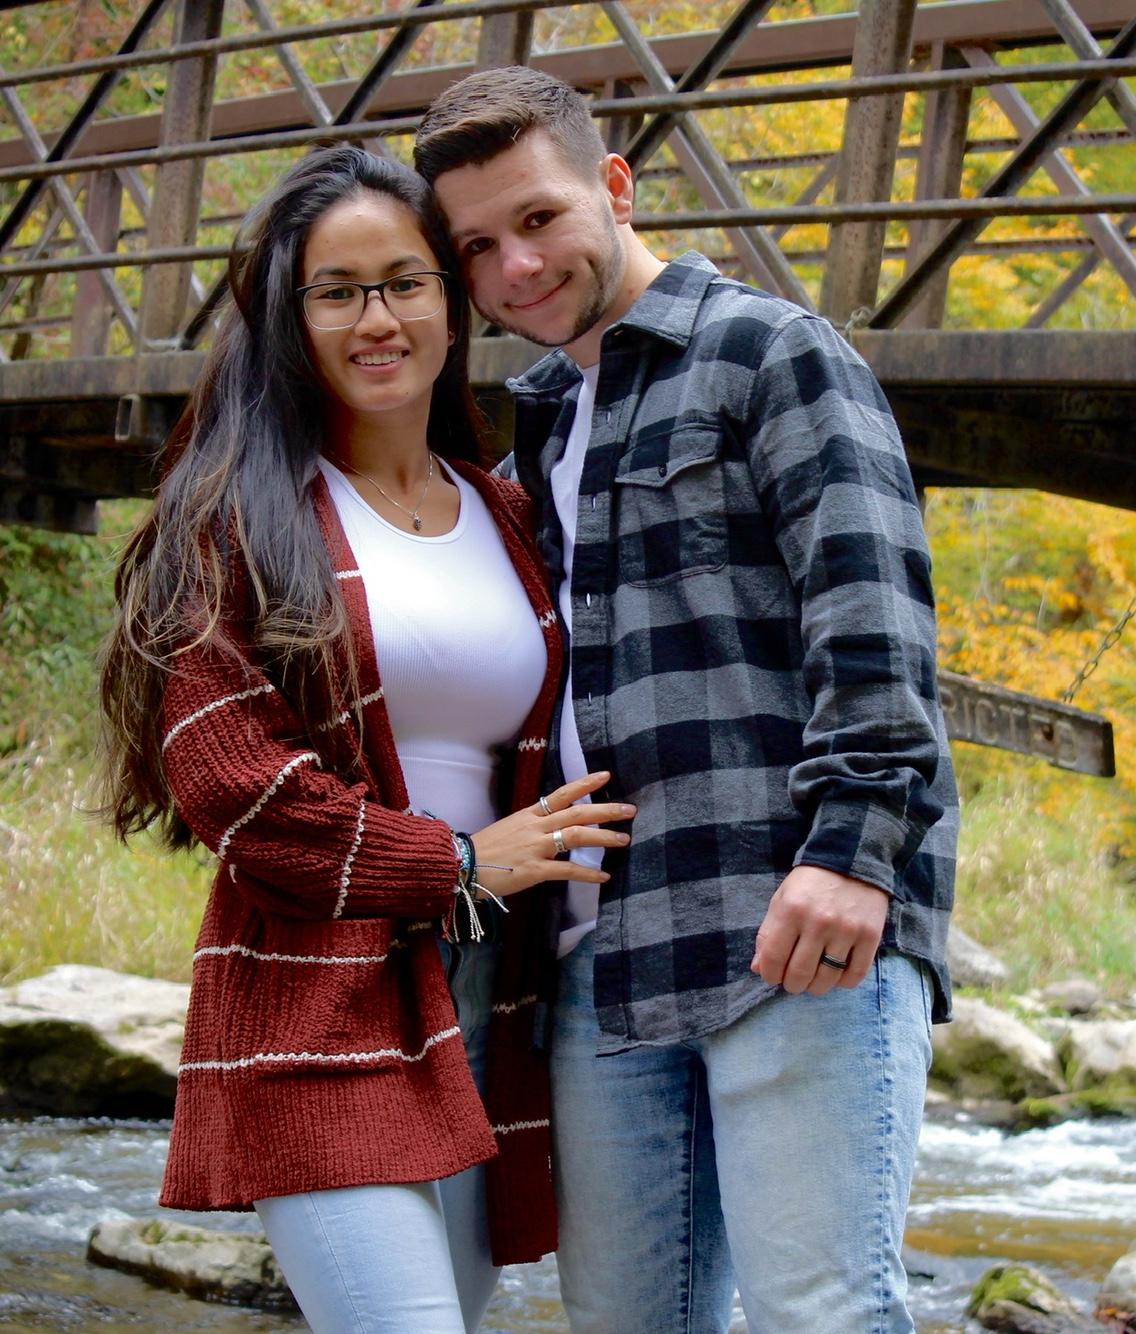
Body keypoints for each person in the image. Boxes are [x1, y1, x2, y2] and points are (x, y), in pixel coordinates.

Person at [415, 67, 959, 1334]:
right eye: (477, 248)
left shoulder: (769, 352)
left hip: (793, 925)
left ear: (613, 186)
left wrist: (852, 854)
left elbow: (873, 614)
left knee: (820, 1312)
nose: (515, 268)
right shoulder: (536, 429)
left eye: (538, 219)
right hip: (604, 960)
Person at [97, 144, 634, 1334]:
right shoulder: (235, 511)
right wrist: (452, 863)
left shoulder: (504, 505)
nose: (374, 318)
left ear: (450, 297)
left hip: (496, 991)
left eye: (404, 281)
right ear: (290, 316)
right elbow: (233, 784)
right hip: (317, 994)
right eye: (336, 291)